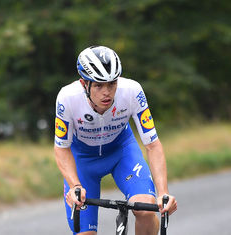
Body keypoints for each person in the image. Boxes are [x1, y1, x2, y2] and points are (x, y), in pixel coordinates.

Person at [54, 45, 177, 235]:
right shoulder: (67, 98)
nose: (107, 92)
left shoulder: (131, 91)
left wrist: (163, 193)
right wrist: (75, 186)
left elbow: (152, 144)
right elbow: (62, 148)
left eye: (112, 84)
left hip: (122, 152)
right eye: (98, 85)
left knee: (145, 208)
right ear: (83, 83)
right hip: (84, 160)